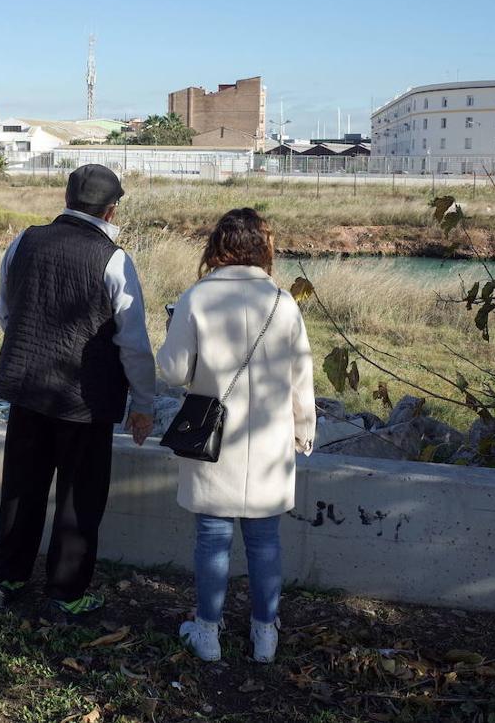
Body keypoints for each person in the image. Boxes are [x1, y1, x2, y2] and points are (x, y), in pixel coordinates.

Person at [0, 163, 156, 618]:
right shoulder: (114, 259)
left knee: (22, 487)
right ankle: (65, 594)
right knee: (80, 499)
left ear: (66, 199)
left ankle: (7, 579)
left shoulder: (24, 240)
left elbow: (6, 310)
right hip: (86, 400)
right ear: (112, 208)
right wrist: (143, 402)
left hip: (26, 389)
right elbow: (133, 343)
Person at [156, 207, 316, 663]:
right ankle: (265, 635)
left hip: (212, 438)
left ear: (218, 246)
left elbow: (172, 372)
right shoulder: (283, 302)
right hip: (268, 440)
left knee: (212, 536)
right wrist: (303, 430)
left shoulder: (196, 297)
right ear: (263, 248)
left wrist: (173, 328)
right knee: (265, 540)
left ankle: (207, 632)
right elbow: (301, 377)